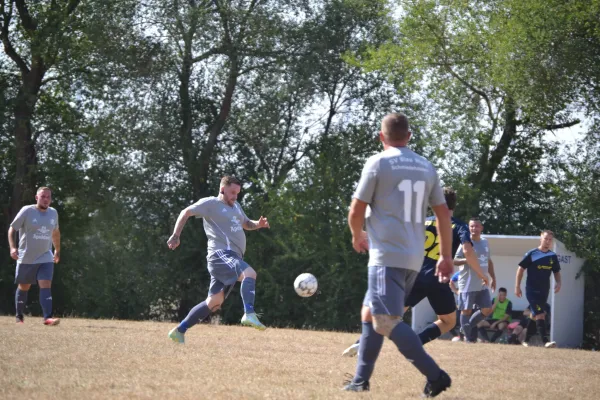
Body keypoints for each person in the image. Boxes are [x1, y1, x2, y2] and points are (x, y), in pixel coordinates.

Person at [342, 113, 453, 397]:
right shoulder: (426, 166)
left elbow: (356, 210)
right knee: (369, 314)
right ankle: (359, 380)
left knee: (386, 322)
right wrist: (446, 256)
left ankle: (436, 375)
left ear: (382, 137)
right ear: (409, 136)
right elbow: (442, 213)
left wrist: (357, 235)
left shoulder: (378, 162)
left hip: (386, 256)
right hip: (414, 258)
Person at [341, 187, 481, 356]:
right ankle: (416, 344)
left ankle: (361, 343)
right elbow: (467, 251)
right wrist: (482, 274)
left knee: (389, 317)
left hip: (414, 275)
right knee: (448, 321)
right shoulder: (459, 226)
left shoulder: (422, 222)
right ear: (454, 205)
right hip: (438, 278)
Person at [166, 176, 270, 343]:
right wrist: (175, 235)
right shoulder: (211, 204)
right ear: (222, 189)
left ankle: (179, 331)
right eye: (232, 192)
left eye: (237, 193)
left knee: (214, 302)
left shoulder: (236, 206)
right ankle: (249, 313)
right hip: (221, 254)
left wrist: (258, 224)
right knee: (249, 273)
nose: (235, 196)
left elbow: (246, 223)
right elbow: (185, 212)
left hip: (231, 257)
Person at [8, 187, 61, 325]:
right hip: (26, 257)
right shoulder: (27, 211)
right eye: (43, 196)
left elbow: (55, 233)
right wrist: (13, 247)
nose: (46, 199)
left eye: (48, 197)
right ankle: (19, 317)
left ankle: (47, 318)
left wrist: (57, 250)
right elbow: (12, 229)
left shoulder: (53, 213)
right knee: (24, 287)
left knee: (46, 284)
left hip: (45, 256)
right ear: (36, 197)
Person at [515, 230, 561, 348]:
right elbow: (520, 269)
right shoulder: (532, 253)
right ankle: (545, 341)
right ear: (541, 239)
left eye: (550, 239)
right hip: (532, 290)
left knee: (535, 315)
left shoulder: (552, 256)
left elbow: (556, 271)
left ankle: (525, 340)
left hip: (544, 290)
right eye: (546, 239)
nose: (548, 241)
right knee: (541, 314)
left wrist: (559, 282)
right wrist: (517, 287)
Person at [454, 217, 496, 343]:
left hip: (482, 283)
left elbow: (488, 261)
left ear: (481, 228)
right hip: (467, 283)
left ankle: (465, 328)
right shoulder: (465, 243)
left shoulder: (485, 242)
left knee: (487, 309)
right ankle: (468, 339)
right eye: (471, 226)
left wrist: (493, 278)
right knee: (466, 310)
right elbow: (454, 260)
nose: (474, 229)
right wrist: (468, 259)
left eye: (477, 226)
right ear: (468, 228)